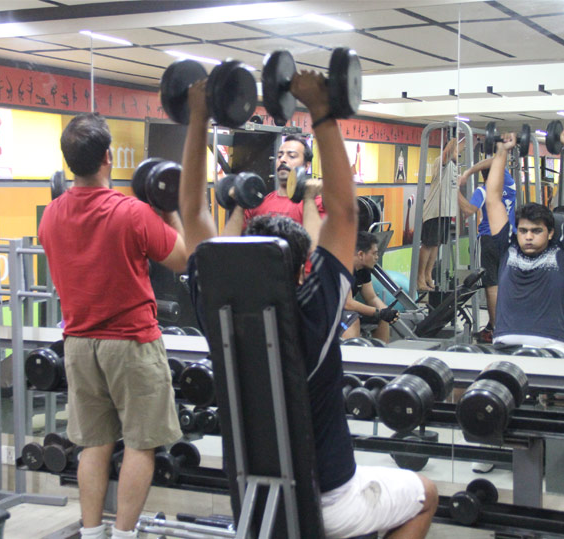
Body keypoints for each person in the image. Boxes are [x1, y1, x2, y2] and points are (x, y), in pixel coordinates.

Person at [178, 74, 437, 538]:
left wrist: (198, 116)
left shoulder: (216, 311)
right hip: (328, 498)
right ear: (303, 269)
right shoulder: (314, 313)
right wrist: (321, 109)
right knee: (426, 494)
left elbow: (194, 212)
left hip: (251, 498)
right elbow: (347, 214)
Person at [38, 113, 187, 539]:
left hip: (78, 344)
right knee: (141, 444)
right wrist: (170, 209)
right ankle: (122, 535)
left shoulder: (50, 217)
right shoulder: (131, 213)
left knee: (93, 445)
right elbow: (183, 259)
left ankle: (91, 533)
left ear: (69, 162)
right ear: (108, 157)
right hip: (131, 343)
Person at [485, 131, 564, 359]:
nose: (528, 237)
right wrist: (501, 151)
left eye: (536, 231)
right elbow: (492, 199)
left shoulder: (563, 253)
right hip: (505, 346)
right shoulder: (507, 248)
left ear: (550, 233)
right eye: (523, 231)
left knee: (558, 390)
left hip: (551, 347)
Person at [222, 134, 325, 246]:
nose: (282, 160)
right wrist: (239, 204)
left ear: (306, 166)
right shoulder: (259, 203)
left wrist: (309, 198)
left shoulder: (316, 204)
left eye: (291, 156)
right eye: (279, 156)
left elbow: (318, 249)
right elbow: (227, 246)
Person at [457, 158, 517, 343]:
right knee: (507, 283)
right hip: (510, 238)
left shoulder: (483, 191)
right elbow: (494, 160)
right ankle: (496, 326)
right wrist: (469, 171)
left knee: (492, 286)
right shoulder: (509, 184)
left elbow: (468, 210)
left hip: (490, 238)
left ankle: (495, 330)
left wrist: (455, 189)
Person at [417, 136, 464, 293]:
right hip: (434, 212)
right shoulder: (441, 162)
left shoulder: (455, 167)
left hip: (446, 212)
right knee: (428, 244)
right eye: (456, 150)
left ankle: (428, 275)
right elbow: (447, 153)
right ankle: (420, 279)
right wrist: (454, 135)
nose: (458, 153)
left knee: (436, 245)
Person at [341, 231, 398, 343]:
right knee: (352, 318)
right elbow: (348, 303)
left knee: (383, 318)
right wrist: (378, 312)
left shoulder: (363, 270)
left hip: (344, 309)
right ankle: (350, 353)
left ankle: (381, 351)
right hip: (329, 312)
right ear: (361, 255)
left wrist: (386, 312)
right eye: (374, 254)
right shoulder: (343, 267)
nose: (377, 257)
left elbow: (371, 298)